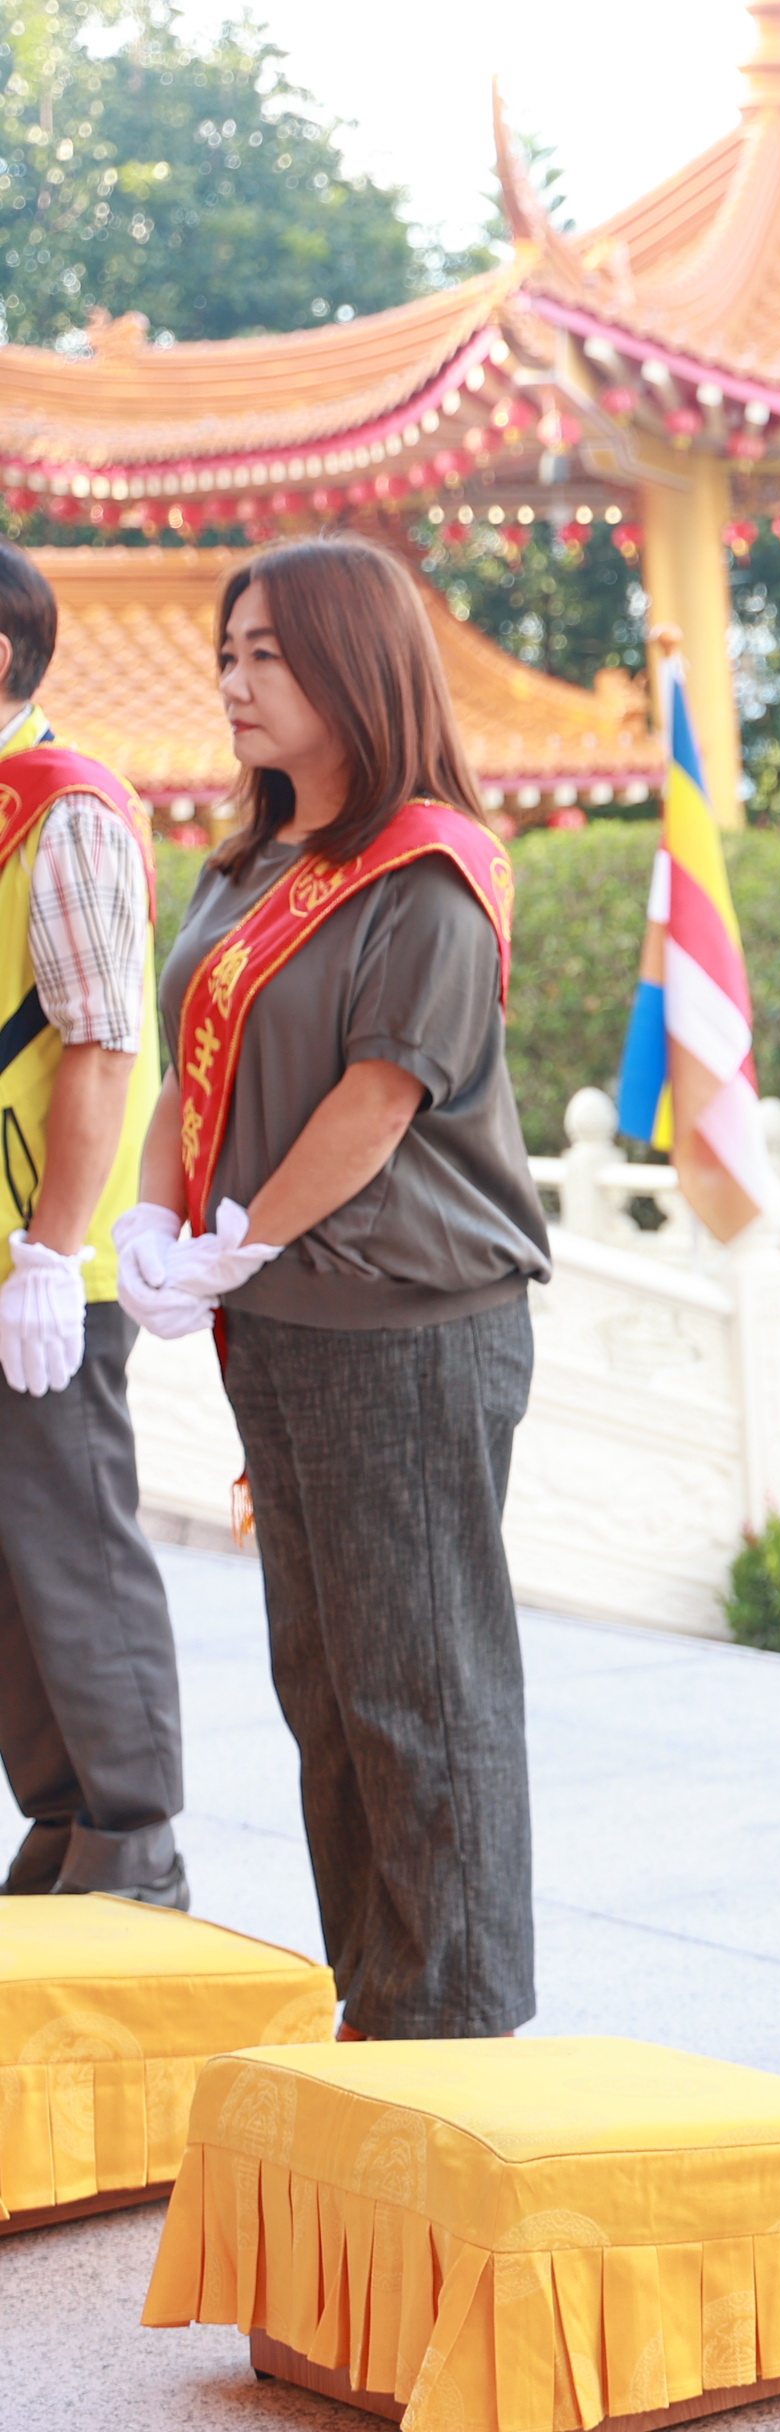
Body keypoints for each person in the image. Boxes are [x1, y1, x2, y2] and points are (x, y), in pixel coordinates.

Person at [118, 539, 548, 2036]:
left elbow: (375, 1103)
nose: (232, 684)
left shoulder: (425, 869)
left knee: (418, 1697)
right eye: (227, 655)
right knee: (327, 1697)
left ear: (354, 664)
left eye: (267, 657)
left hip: (408, 1328)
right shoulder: (244, 870)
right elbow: (194, 1072)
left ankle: (458, 2028)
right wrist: (155, 1222)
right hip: (284, 1327)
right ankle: (377, 2002)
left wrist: (236, 1239)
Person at [0, 539, 182, 1906]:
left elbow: (103, 1044)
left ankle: (133, 1844)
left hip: (39, 1262)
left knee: (71, 1544)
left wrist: (53, 1254)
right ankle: (59, 1823)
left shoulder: (64, 809)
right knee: (12, 1577)